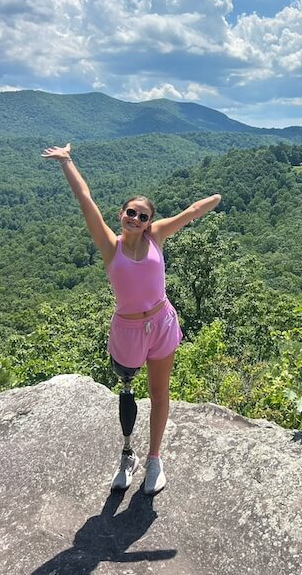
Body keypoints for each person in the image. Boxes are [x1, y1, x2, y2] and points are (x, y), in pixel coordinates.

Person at [42, 141, 221, 495]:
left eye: (143, 216)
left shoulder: (157, 237)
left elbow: (190, 212)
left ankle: (154, 458)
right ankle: (127, 455)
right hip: (128, 329)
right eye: (131, 212)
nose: (136, 219)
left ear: (149, 222)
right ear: (121, 214)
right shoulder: (111, 246)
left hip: (162, 322)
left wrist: (216, 198)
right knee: (127, 392)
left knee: (159, 392)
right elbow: (86, 200)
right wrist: (66, 161)